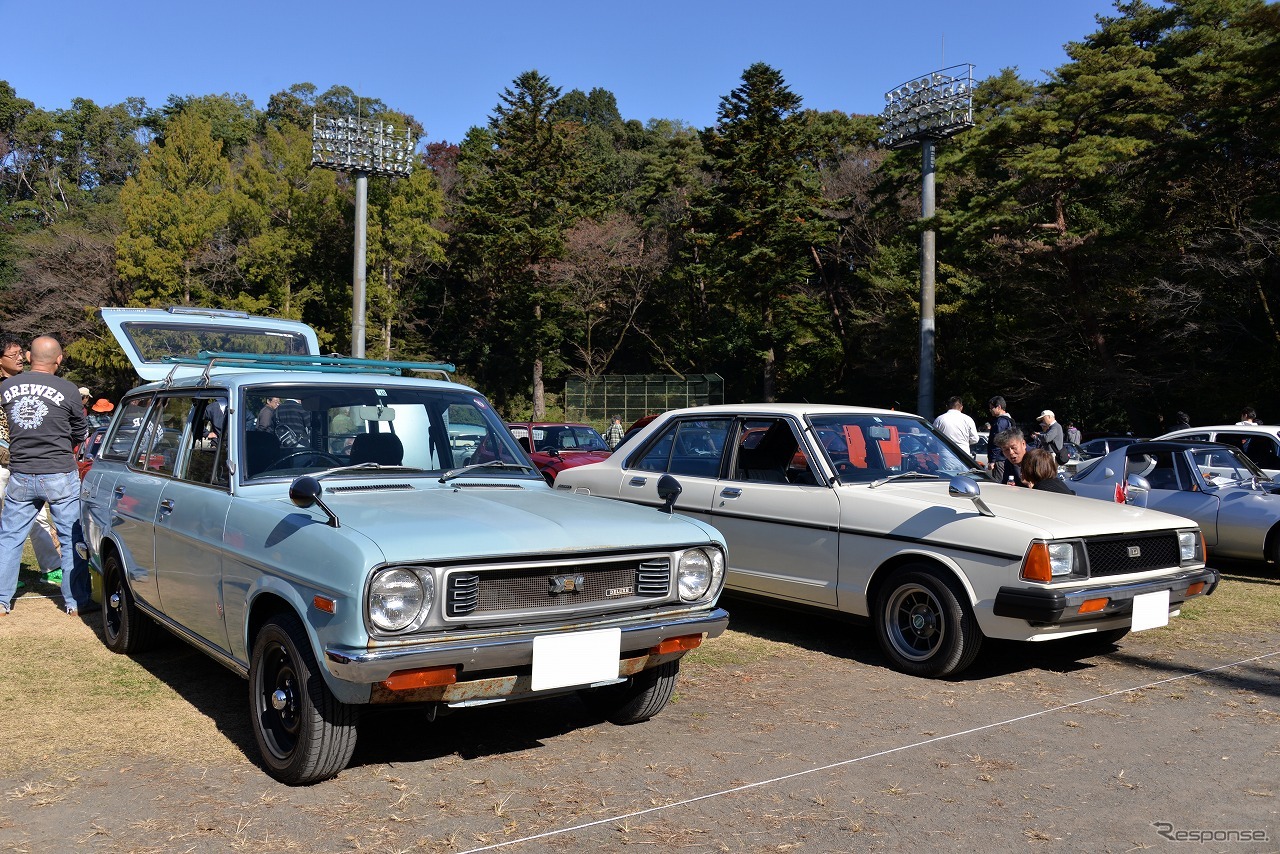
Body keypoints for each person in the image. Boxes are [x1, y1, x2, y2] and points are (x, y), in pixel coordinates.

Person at [0, 336, 89, 616]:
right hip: (59, 473)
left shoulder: (6, 387)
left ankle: (2, 601)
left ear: (28, 356)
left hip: (21, 473)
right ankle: (76, 602)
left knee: (10, 538)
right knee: (71, 536)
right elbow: (81, 432)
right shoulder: (69, 389)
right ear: (59, 360)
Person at [0, 336, 63, 593]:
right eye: (12, 354)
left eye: (20, 353)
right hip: (4, 464)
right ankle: (5, 575)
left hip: (25, 464)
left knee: (37, 517)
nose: (19, 357)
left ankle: (53, 568)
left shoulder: (26, 385)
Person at [987, 396, 1016, 476]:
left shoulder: (1000, 422)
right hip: (1007, 457)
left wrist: (992, 460)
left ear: (999, 407)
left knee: (999, 483)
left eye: (991, 408)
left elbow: (997, 442)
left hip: (1000, 459)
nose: (990, 411)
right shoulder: (1009, 420)